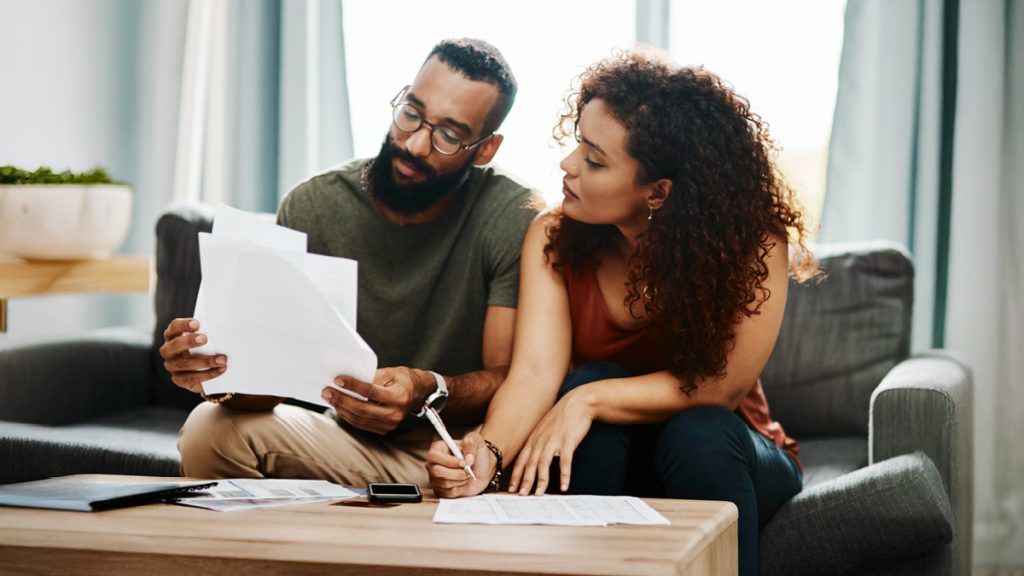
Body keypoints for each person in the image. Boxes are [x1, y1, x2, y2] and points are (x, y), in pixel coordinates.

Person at [425, 48, 818, 576]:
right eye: (576, 145)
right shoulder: (553, 235)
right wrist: (486, 455)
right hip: (612, 460)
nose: (568, 166)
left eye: (594, 160)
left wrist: (588, 399)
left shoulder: (753, 244)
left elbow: (720, 388)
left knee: (694, 427)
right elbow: (537, 374)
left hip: (724, 456)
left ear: (658, 191)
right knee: (587, 386)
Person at [162, 38, 540, 487]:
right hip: (344, 441)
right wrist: (215, 372)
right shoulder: (314, 205)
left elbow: (510, 377)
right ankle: (249, 560)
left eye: (449, 135)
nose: (416, 144)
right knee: (210, 428)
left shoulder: (512, 217)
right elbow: (266, 389)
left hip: (453, 452)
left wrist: (426, 389)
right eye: (411, 113)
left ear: (485, 149)